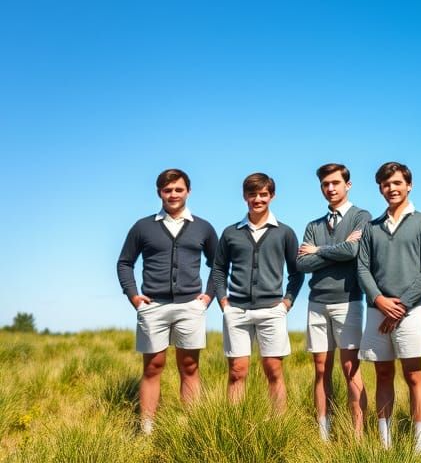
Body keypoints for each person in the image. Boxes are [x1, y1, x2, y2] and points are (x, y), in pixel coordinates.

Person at [116, 168, 218, 435]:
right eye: (167, 190)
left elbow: (218, 265)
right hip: (153, 307)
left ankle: (192, 429)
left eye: (178, 189)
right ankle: (147, 429)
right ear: (159, 192)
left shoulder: (203, 227)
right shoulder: (143, 227)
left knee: (190, 366)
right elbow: (125, 263)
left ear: (188, 192)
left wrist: (208, 296)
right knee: (153, 367)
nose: (173, 194)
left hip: (190, 307)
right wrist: (134, 296)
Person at [356, 161, 421, 453]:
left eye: (397, 183)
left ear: (409, 185)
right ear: (380, 188)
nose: (391, 188)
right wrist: (379, 300)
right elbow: (362, 269)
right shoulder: (371, 228)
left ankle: (419, 447)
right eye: (386, 184)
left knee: (413, 375)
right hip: (376, 310)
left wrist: (401, 306)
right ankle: (385, 444)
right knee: (382, 374)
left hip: (411, 311)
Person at [212, 172, 301, 412]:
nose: (258, 199)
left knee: (274, 370)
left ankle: (279, 424)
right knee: (237, 371)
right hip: (236, 311)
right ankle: (234, 424)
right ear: (245, 196)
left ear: (272, 196)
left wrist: (287, 303)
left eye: (263, 194)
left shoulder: (285, 232)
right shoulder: (231, 233)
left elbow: (296, 272)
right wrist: (223, 302)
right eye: (252, 194)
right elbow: (218, 269)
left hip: (272, 311)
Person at [297, 163, 372, 441]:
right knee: (320, 370)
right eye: (325, 184)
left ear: (347, 185)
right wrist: (336, 253)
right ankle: (324, 436)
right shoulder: (313, 225)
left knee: (351, 369)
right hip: (316, 302)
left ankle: (358, 437)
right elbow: (302, 264)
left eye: (335, 183)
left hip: (348, 301)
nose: (330, 188)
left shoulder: (361, 216)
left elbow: (353, 251)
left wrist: (318, 250)